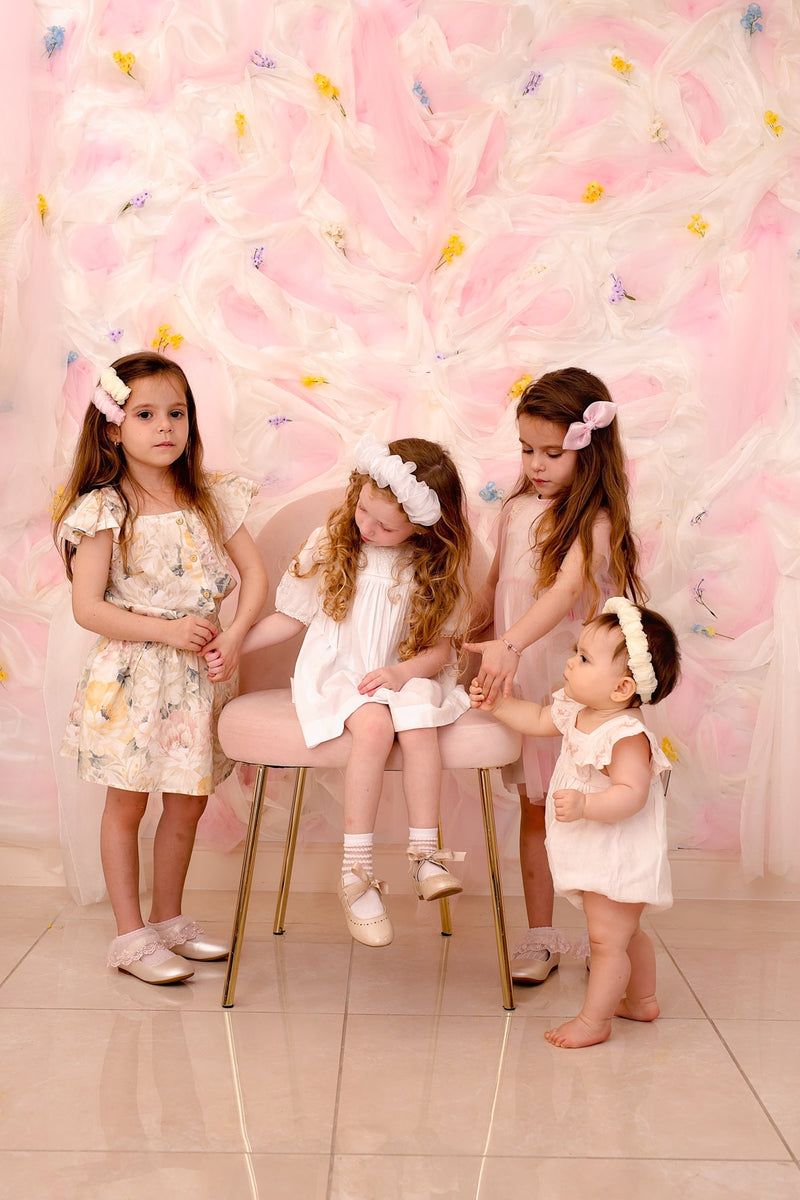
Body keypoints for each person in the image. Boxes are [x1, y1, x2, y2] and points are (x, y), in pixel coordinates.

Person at [53, 351, 268, 985]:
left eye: (177, 412)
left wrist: (236, 634)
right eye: (145, 414)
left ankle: (168, 919)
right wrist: (168, 630)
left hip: (197, 678)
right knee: (127, 802)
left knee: (187, 802)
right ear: (113, 426)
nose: (165, 426)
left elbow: (254, 575)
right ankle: (130, 935)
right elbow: (89, 608)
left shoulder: (210, 497)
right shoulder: (105, 508)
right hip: (132, 678)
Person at [237, 435, 472, 947]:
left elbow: (442, 650)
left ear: (422, 527)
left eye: (386, 526)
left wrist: (404, 673)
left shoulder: (432, 566)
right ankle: (356, 871)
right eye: (364, 510)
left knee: (419, 720)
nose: (367, 527)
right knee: (374, 725)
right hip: (341, 673)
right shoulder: (333, 542)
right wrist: (234, 644)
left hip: (403, 672)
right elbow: (290, 617)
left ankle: (424, 855)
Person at [466, 368, 645, 985]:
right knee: (535, 808)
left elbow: (567, 590)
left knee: (594, 807)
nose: (536, 465)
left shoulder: (595, 520)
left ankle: (612, 933)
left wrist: (510, 644)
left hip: (575, 687)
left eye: (551, 452)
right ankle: (540, 935)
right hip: (520, 679)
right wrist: (471, 641)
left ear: (588, 451)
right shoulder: (515, 510)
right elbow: (495, 586)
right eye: (526, 450)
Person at [471, 598, 680, 1047]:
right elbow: (538, 719)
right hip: (597, 850)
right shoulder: (579, 710)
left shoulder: (626, 735)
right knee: (626, 932)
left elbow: (631, 793)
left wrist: (586, 805)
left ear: (622, 687)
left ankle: (593, 1021)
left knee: (606, 943)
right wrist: (497, 706)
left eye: (584, 658)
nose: (570, 662)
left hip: (619, 854)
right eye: (576, 652)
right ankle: (642, 1000)